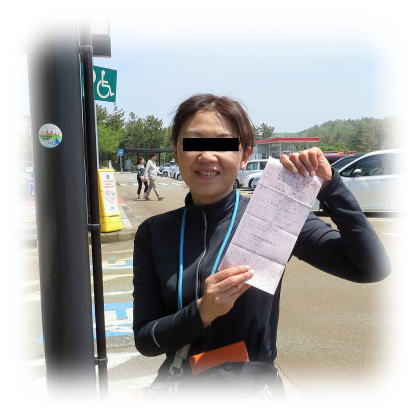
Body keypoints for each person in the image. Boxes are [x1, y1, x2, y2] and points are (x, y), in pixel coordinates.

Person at [132, 94, 391, 399]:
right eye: (193, 142)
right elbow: (146, 340)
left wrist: (331, 186)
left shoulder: (275, 214)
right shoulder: (154, 232)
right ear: (176, 152)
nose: (207, 155)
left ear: (244, 156)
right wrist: (202, 312)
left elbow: (370, 267)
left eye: (222, 144)